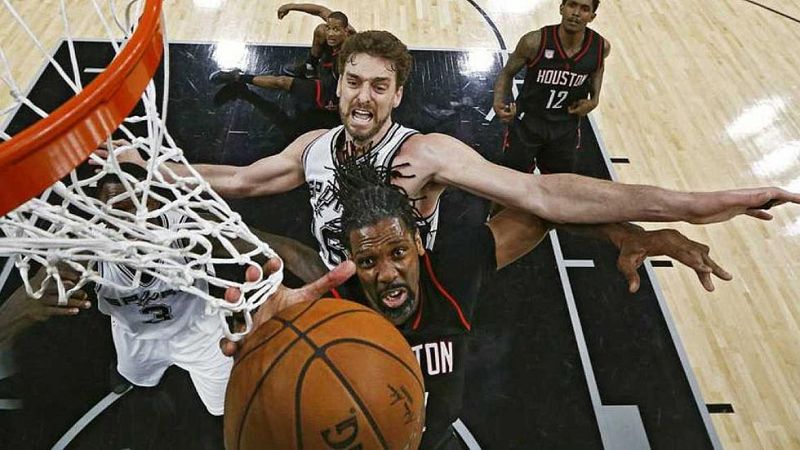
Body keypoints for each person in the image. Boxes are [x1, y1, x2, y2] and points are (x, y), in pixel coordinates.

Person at [105, 30, 799, 273]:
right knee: (258, 248)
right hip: (340, 276)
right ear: (339, 85)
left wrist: (703, 201)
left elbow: (544, 191)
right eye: (354, 83)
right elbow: (244, 178)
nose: (365, 98)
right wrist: (146, 166)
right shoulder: (314, 145)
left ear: (398, 94)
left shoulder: (427, 152)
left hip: (419, 285)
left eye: (380, 87)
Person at [221, 156, 734, 449]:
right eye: (369, 262)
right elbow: (252, 242)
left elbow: (543, 210)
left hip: (437, 438)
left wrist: (627, 235)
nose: (388, 273)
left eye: (398, 252)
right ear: (351, 261)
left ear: (419, 244)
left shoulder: (454, 272)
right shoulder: (332, 297)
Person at [494, 0, 607, 174]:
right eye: (572, 5)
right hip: (527, 124)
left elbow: (597, 68)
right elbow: (507, 73)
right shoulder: (534, 42)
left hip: (565, 128)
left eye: (584, 9)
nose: (576, 13)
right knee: (510, 184)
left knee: (558, 186)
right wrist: (499, 101)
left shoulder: (600, 47)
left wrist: (594, 99)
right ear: (561, 8)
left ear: (592, 17)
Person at [208, 4, 354, 113]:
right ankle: (310, 67)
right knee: (320, 30)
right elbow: (320, 10)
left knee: (282, 81)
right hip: (328, 68)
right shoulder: (336, 30)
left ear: (345, 31)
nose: (331, 33)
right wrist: (290, 6)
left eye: (336, 30)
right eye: (330, 28)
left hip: (330, 89)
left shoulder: (352, 51)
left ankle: (238, 78)